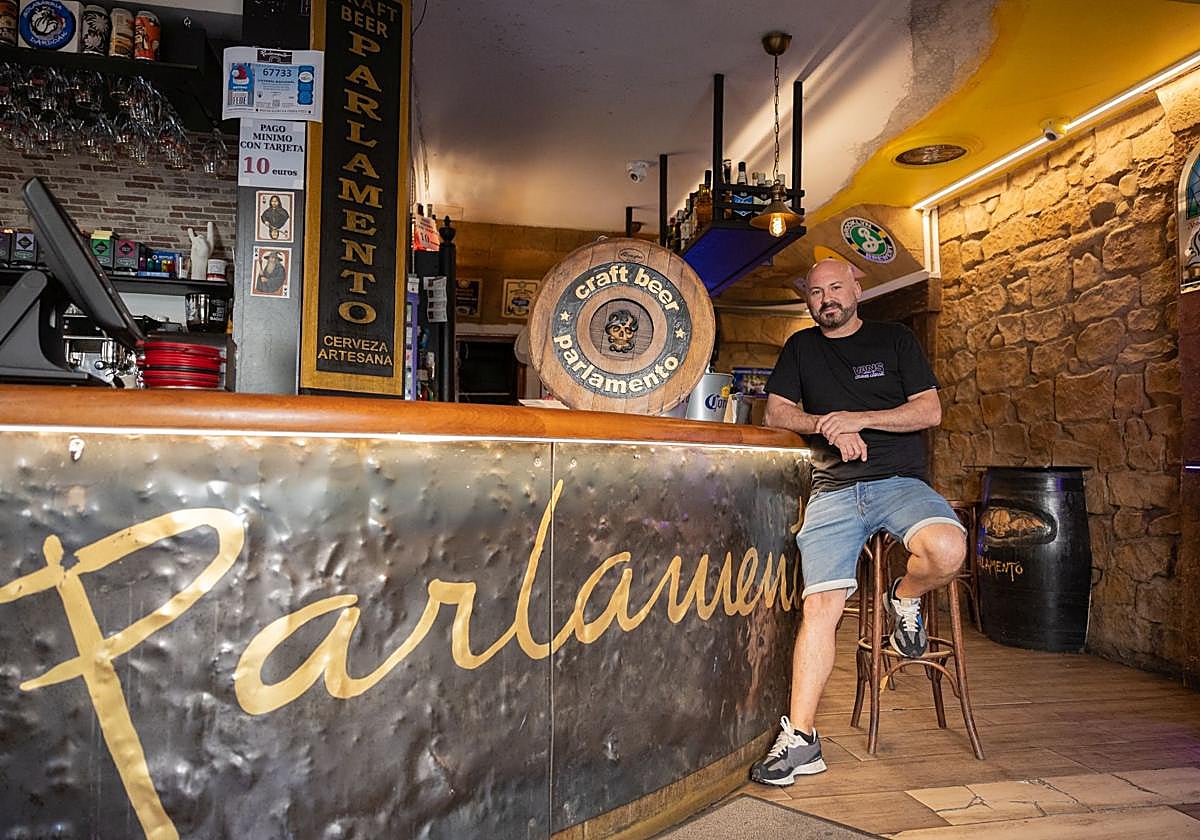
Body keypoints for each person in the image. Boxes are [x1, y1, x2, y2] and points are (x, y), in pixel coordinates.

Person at [749, 257, 966, 786]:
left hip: (899, 483)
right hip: (834, 489)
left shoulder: (895, 340)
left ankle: (905, 597)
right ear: (808, 300)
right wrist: (829, 425)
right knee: (821, 606)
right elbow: (776, 414)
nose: (826, 298)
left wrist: (860, 418)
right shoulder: (801, 347)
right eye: (815, 291)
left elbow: (929, 411)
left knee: (947, 549)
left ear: (856, 289)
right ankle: (802, 739)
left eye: (835, 287)